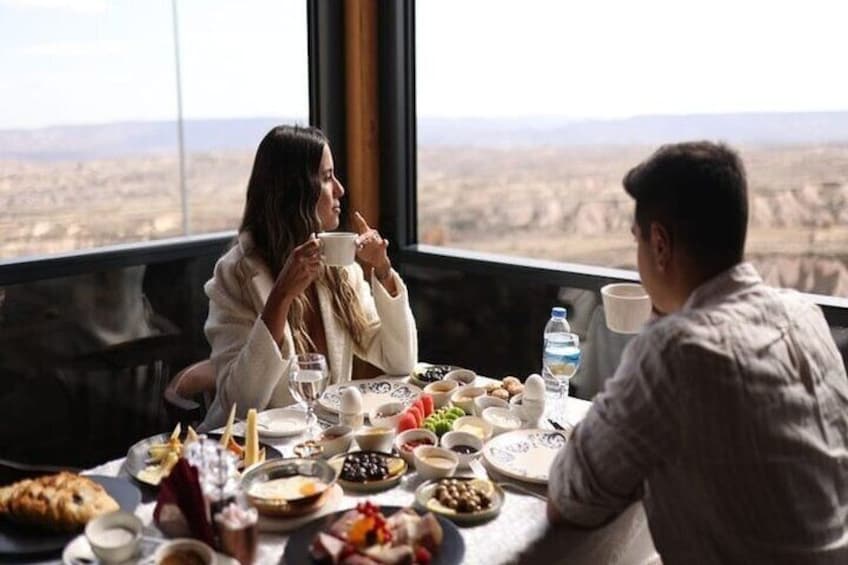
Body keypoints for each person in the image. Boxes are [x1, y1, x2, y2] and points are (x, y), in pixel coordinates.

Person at [546, 141, 848, 564]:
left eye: (638, 242)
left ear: (660, 244)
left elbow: (571, 500)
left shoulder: (677, 350)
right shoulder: (807, 317)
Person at [199, 125, 417, 431]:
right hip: (248, 450)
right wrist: (280, 298)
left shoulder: (339, 267)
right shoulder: (235, 275)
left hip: (319, 444)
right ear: (294, 192)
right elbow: (241, 404)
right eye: (327, 178)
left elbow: (400, 362)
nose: (340, 189)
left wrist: (382, 270)